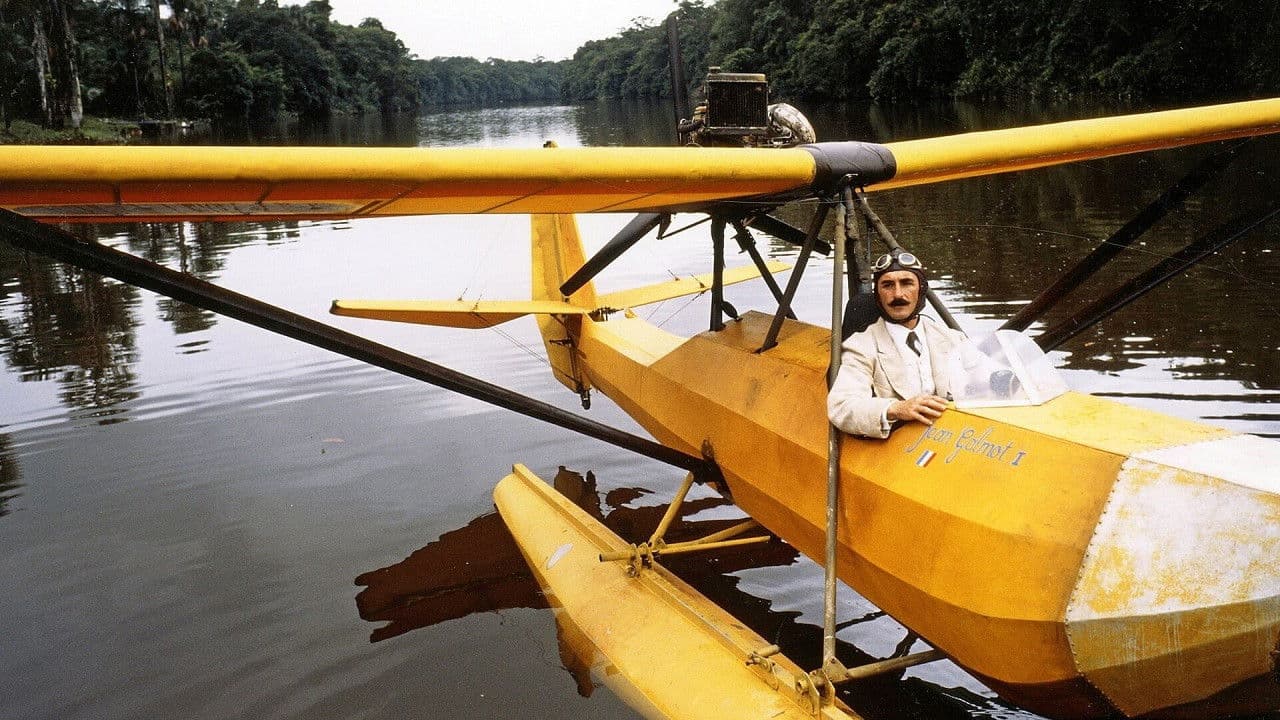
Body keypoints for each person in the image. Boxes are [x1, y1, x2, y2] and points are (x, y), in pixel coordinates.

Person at [827, 251, 966, 438]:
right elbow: (841, 406)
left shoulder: (952, 338)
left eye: (907, 283)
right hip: (897, 447)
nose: (897, 294)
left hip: (952, 437)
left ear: (921, 289)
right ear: (878, 295)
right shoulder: (860, 346)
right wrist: (895, 409)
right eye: (887, 285)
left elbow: (992, 379)